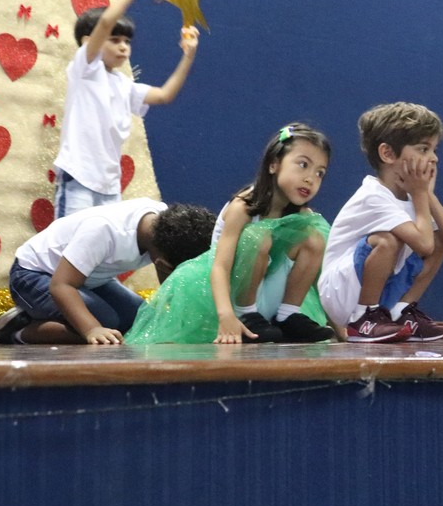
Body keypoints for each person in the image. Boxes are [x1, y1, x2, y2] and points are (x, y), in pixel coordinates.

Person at [125, 124, 335, 345]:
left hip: (271, 295)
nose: (310, 178)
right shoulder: (243, 207)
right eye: (303, 165)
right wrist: (226, 316)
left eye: (320, 173)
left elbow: (320, 277)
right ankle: (247, 315)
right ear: (273, 164)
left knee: (314, 238)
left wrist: (341, 326)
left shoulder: (303, 216)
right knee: (258, 236)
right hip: (229, 297)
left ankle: (287, 316)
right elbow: (220, 266)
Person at [318, 102, 443, 342]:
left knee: (441, 238)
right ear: (388, 154)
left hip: (375, 289)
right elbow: (423, 245)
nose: (434, 158)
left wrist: (428, 196)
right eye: (424, 149)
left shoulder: (412, 196)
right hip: (340, 293)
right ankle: (363, 319)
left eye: (434, 149)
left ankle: (401, 312)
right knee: (387, 239)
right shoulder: (373, 196)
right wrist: (420, 195)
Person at [53, 0, 199, 217]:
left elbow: (165, 95)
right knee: (70, 237)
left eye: (127, 41)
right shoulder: (85, 69)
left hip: (110, 186)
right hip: (78, 176)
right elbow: (105, 22)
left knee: (103, 241)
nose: (123, 47)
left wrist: (188, 56)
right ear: (88, 41)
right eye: (114, 40)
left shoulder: (124, 85)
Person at [0, 199, 215, 344]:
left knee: (140, 320)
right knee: (106, 324)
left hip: (88, 279)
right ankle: (17, 330)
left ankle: (72, 319)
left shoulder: (163, 224)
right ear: (162, 262)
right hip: (34, 276)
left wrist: (178, 315)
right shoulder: (103, 230)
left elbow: (172, 282)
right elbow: (61, 286)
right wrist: (92, 329)